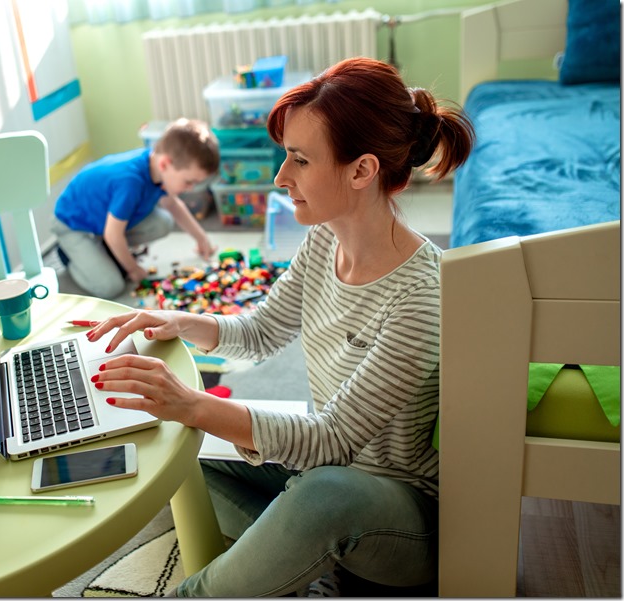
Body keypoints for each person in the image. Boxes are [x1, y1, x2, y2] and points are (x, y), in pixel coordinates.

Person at [82, 57, 475, 597]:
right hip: (322, 475)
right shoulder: (323, 240)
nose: (280, 177)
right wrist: (177, 319)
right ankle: (303, 564)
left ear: (362, 171)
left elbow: (332, 440)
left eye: (299, 160)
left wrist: (192, 402)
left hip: (400, 517)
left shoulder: (421, 295)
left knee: (320, 495)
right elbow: (263, 331)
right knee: (185, 450)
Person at [51, 118, 220, 299]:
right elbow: (113, 234)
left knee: (163, 222)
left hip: (104, 222)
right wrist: (133, 269)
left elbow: (172, 204)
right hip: (74, 226)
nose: (191, 188)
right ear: (165, 164)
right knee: (110, 286)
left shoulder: (156, 166)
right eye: (189, 182)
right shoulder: (131, 183)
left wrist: (201, 238)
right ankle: (69, 254)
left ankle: (107, 251)